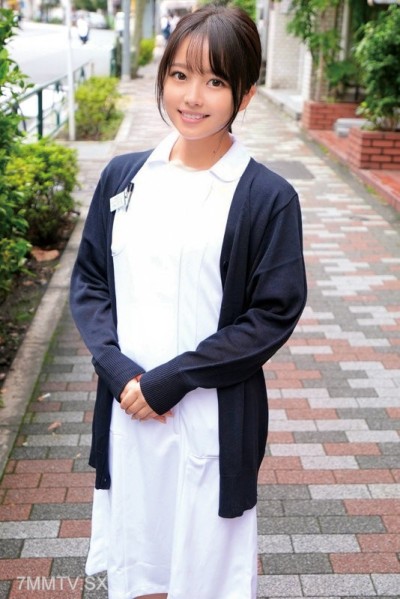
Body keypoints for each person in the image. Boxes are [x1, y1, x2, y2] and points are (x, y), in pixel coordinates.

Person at [70, 5, 307, 599]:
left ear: (245, 94)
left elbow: (271, 315)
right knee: (140, 568)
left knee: (207, 578)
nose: (192, 96)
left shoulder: (268, 197)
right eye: (179, 75)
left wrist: (172, 380)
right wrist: (118, 370)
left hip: (210, 420)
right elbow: (91, 282)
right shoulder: (123, 178)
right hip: (129, 412)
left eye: (215, 81)